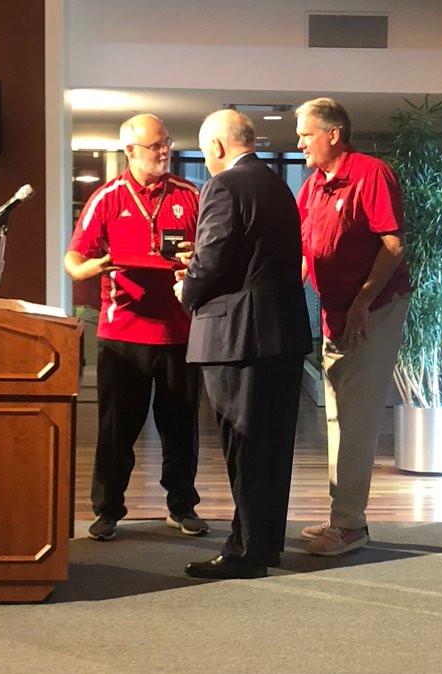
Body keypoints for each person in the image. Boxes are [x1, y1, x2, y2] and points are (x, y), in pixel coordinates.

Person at [177, 110, 311, 579]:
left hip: (238, 336)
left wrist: (186, 290)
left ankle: (245, 553)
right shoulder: (279, 185)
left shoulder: (224, 185)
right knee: (272, 447)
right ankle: (264, 544)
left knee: (245, 444)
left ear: (215, 146)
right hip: (282, 332)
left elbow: (211, 258)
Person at [64, 113, 205, 541]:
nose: (164, 151)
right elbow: (73, 263)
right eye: (154, 146)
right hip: (122, 334)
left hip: (179, 332)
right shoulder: (107, 198)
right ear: (130, 151)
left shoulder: (191, 195)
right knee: (115, 430)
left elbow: (214, 253)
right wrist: (97, 265)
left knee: (181, 429)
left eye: (166, 143)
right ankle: (107, 511)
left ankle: (181, 507)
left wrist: (195, 257)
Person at [295, 97, 411, 556]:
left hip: (374, 309)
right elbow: (307, 252)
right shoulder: (313, 186)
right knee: (338, 413)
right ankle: (341, 515)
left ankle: (351, 526)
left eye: (306, 134)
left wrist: (363, 302)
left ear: (334, 134)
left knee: (357, 416)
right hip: (335, 311)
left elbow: (392, 245)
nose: (300, 142)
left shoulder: (370, 173)